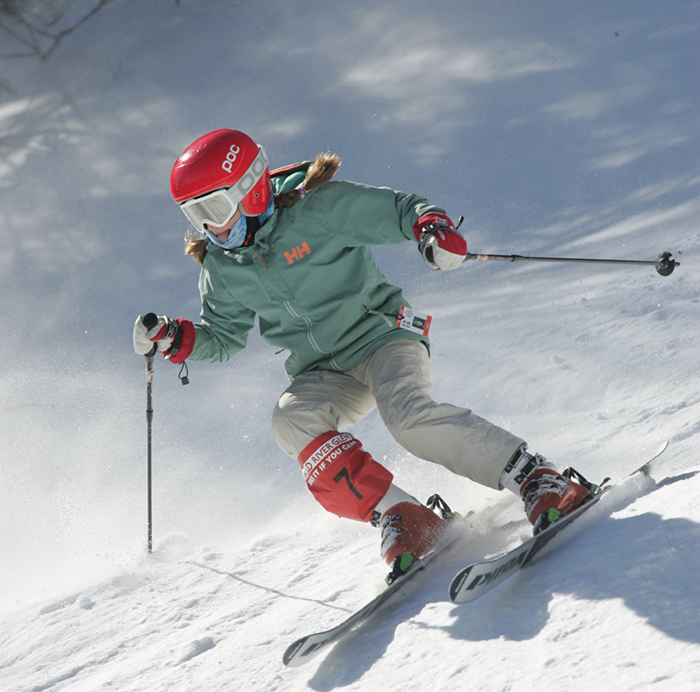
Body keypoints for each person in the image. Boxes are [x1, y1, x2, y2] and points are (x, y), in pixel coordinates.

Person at [133, 129, 593, 582]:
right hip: (323, 370)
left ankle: (536, 478)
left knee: (408, 418)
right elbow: (224, 334)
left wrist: (430, 229)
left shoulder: (320, 208)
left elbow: (399, 209)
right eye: (196, 216)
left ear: (250, 189)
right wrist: (177, 338)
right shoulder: (222, 265)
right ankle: (405, 517)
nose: (211, 227)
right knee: (289, 421)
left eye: (214, 208)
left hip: (381, 336)